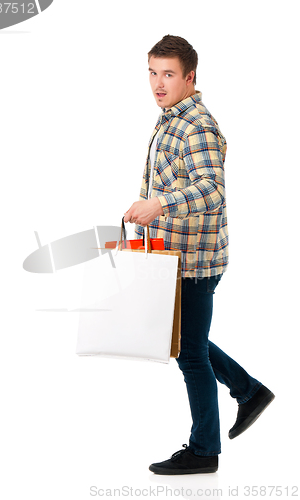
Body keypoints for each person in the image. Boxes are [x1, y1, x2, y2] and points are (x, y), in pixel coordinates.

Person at [123, 35, 275, 475]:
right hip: (174, 255)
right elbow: (168, 178)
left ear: (190, 77)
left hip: (195, 260)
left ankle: (204, 450)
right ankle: (248, 391)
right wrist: (146, 207)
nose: (158, 83)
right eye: (152, 73)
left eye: (168, 74)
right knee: (185, 341)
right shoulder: (171, 118)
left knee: (188, 352)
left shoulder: (197, 125)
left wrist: (160, 205)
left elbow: (212, 189)